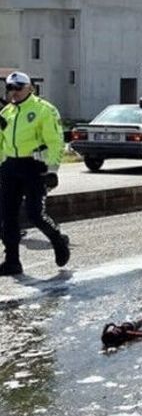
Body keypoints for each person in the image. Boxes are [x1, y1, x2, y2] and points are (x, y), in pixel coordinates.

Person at [0, 72, 71, 275]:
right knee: (6, 216)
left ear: (30, 88)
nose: (14, 92)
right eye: (10, 88)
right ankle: (12, 261)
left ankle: (58, 240)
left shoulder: (43, 110)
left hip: (34, 167)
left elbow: (55, 141)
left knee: (34, 214)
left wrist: (52, 170)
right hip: (11, 167)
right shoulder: (6, 113)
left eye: (18, 87)